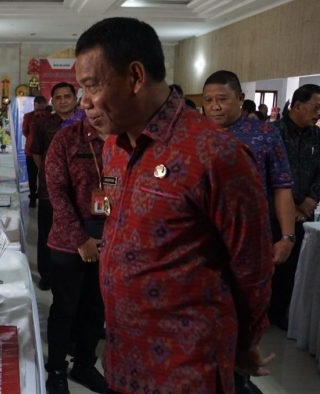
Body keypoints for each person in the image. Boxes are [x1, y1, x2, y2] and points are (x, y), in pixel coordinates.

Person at [75, 18, 274, 393]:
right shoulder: (115, 149)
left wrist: (244, 343)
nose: (84, 101)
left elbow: (253, 267)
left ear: (135, 76)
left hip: (186, 370)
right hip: (122, 358)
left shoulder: (217, 155)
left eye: (91, 85)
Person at [202, 70, 296, 394]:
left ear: (240, 100)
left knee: (247, 307)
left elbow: (282, 187)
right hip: (205, 242)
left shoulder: (264, 135)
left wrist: (287, 236)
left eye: (222, 100)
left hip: (251, 240)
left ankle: (240, 375)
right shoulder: (195, 136)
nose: (214, 107)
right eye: (209, 101)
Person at [44, 118, 108, 394]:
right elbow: (56, 194)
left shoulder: (125, 136)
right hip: (69, 241)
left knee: (96, 309)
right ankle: (57, 370)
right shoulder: (66, 139)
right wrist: (81, 239)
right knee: (65, 308)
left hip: (110, 239)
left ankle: (84, 364)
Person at [270, 84, 320, 329]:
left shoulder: (316, 137)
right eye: (315, 107)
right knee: (266, 263)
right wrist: (296, 201)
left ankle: (279, 312)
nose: (318, 113)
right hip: (272, 211)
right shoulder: (272, 132)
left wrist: (311, 199)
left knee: (290, 267)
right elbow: (270, 174)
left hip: (302, 215)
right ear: (298, 105)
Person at [31, 82, 78, 291]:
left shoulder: (85, 123)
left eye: (67, 96)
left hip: (78, 191)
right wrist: (52, 176)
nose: (63, 101)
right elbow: (36, 153)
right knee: (46, 232)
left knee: (75, 229)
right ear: (52, 101)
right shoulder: (43, 125)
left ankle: (72, 273)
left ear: (75, 99)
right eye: (58, 97)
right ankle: (47, 274)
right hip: (49, 191)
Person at [21, 95, 49, 208]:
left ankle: (44, 198)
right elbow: (25, 131)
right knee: (32, 176)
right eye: (38, 110)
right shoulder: (28, 117)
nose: (40, 112)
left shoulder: (50, 117)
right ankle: (32, 197)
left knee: (44, 176)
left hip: (45, 152)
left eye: (42, 110)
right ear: (34, 107)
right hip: (31, 152)